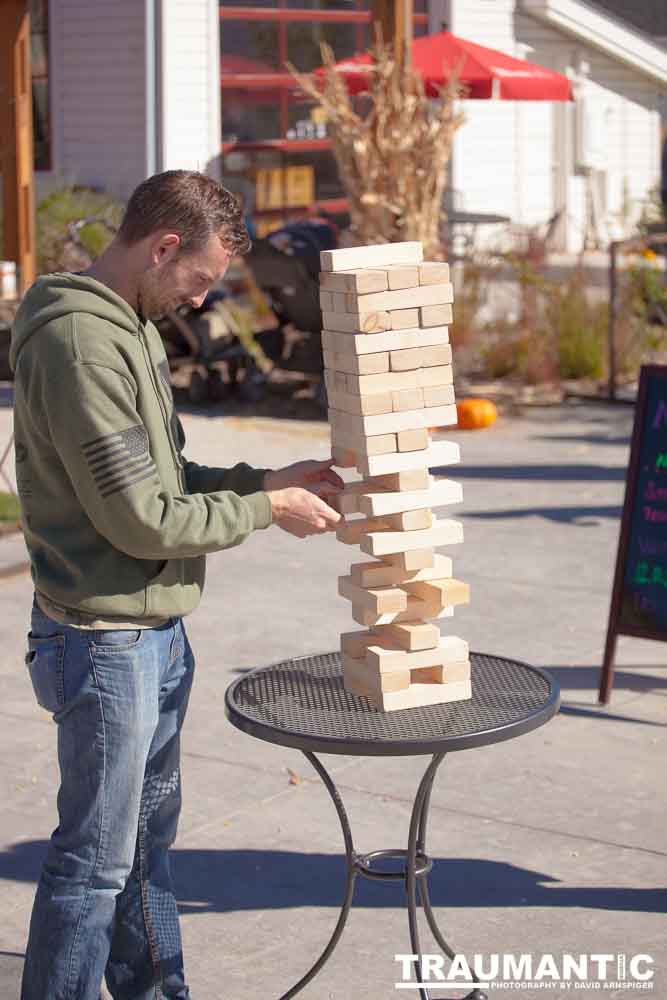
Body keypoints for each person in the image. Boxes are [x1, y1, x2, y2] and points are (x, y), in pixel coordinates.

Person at [10, 169, 342, 1000]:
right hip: (104, 644)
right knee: (95, 861)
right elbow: (142, 521)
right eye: (198, 279)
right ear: (163, 248)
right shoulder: (82, 344)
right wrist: (267, 511)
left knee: (145, 848)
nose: (200, 302)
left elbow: (170, 476)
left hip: (153, 635)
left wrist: (263, 476)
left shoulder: (134, 325)